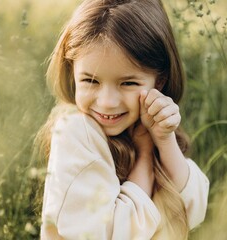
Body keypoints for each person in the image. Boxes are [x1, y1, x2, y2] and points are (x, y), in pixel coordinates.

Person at [36, 0, 209, 239]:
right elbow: (113, 234)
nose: (107, 102)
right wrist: (146, 156)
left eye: (128, 83)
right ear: (72, 71)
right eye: (90, 80)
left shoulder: (144, 127)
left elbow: (193, 209)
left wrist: (164, 140)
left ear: (159, 81)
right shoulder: (75, 132)